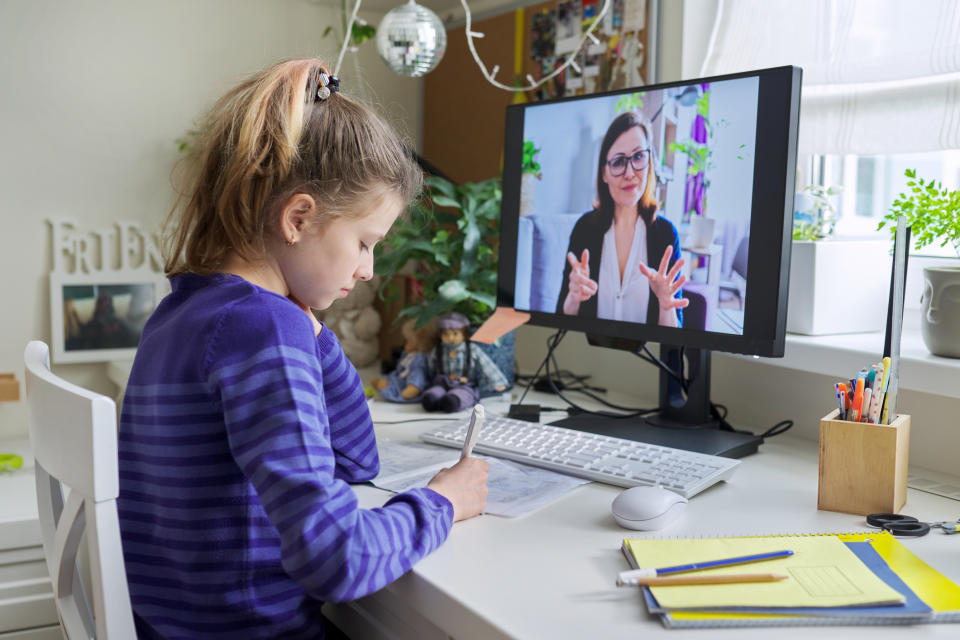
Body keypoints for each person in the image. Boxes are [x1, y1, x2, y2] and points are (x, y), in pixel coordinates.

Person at [117, 58, 489, 640]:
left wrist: (317, 334)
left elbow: (358, 461)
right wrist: (442, 501)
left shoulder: (181, 313)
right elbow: (338, 560)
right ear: (298, 217)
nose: (367, 270)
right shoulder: (262, 331)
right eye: (365, 243)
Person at [556, 111, 689, 326]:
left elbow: (673, 343)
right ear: (604, 173)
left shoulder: (665, 234)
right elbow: (561, 321)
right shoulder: (584, 229)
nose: (629, 173)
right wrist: (573, 297)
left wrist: (666, 306)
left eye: (638, 157)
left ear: (650, 163)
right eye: (618, 162)